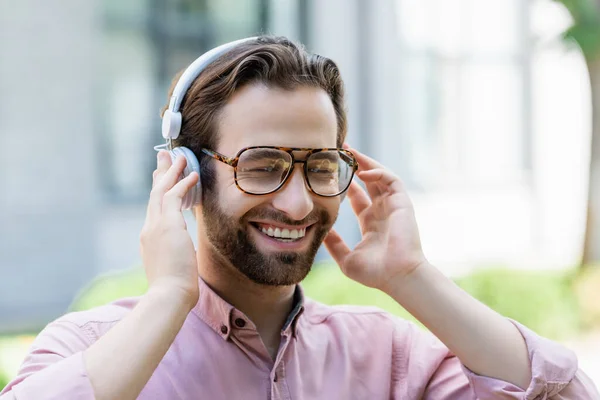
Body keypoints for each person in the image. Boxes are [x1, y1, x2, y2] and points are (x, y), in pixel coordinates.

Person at [1, 35, 598, 400]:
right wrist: (168, 298)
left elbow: (565, 395)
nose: (298, 202)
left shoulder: (386, 356)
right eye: (261, 166)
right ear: (186, 173)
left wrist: (412, 276)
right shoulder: (92, 348)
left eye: (319, 166)